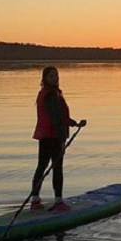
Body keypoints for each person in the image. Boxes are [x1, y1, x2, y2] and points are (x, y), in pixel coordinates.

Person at [30, 66, 86, 212]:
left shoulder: (47, 93)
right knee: (57, 169)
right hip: (52, 137)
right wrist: (62, 141)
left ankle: (35, 201)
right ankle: (58, 203)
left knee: (41, 167)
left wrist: (74, 123)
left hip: (44, 137)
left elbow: (60, 116)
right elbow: (56, 119)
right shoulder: (50, 95)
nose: (55, 78)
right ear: (45, 79)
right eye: (51, 76)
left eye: (56, 76)